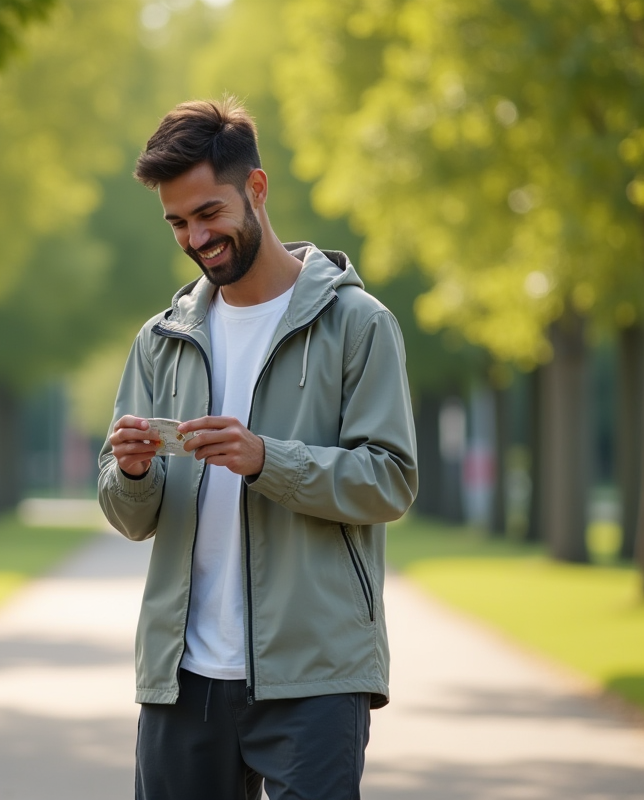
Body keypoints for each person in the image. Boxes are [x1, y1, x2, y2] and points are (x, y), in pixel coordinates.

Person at [97, 98, 419, 800]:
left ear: (257, 189)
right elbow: (130, 517)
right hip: (181, 679)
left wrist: (267, 460)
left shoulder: (357, 324)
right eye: (178, 223)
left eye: (209, 213)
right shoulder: (161, 340)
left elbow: (390, 481)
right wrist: (131, 471)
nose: (195, 237)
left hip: (315, 675)